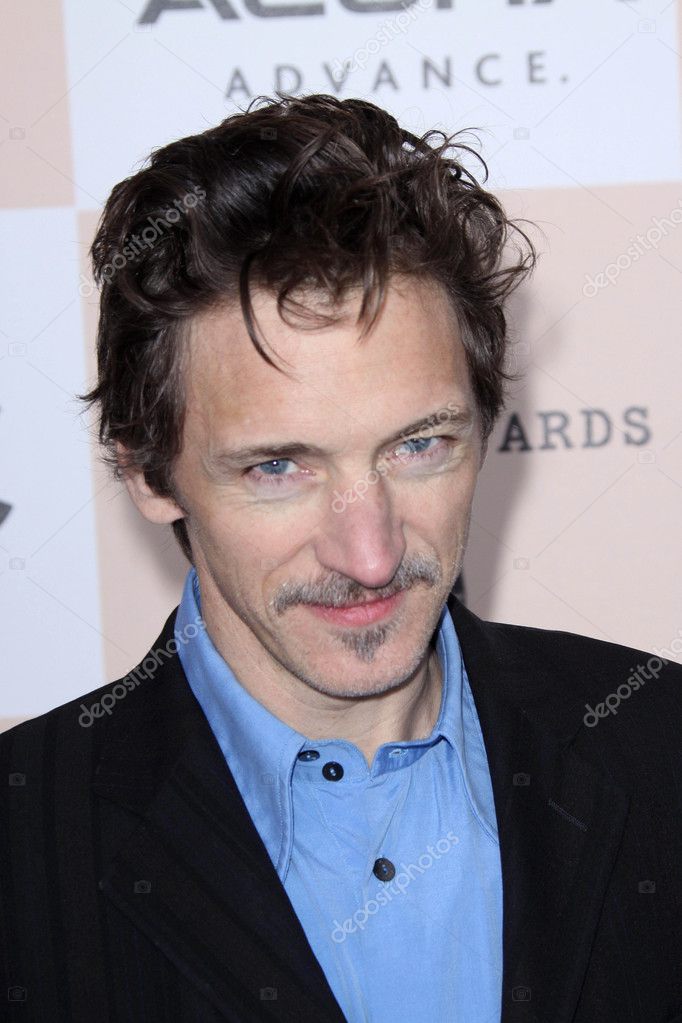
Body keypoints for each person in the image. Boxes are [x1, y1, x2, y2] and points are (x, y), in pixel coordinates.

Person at [1, 93, 681, 1023]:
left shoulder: (661, 746)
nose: (370, 555)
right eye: (279, 467)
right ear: (147, 471)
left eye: (419, 446)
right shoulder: (24, 842)